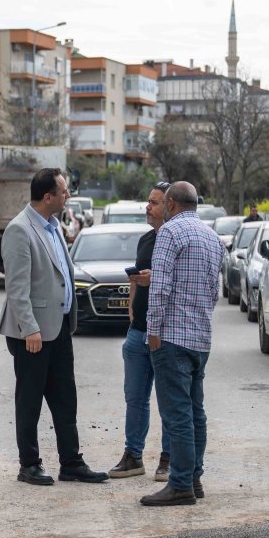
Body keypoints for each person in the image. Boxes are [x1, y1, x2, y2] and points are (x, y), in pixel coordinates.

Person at [0, 168, 108, 486]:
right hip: (31, 333)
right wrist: (29, 328)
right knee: (29, 400)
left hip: (58, 327)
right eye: (63, 191)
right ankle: (29, 464)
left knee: (65, 397)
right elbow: (17, 289)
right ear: (48, 197)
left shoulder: (54, 226)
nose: (68, 195)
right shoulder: (20, 230)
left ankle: (71, 462)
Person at [139, 182, 222, 506]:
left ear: (171, 204)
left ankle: (181, 484)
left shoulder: (170, 234)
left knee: (177, 415)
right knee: (195, 412)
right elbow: (215, 292)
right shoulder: (212, 237)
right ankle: (194, 478)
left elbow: (159, 288)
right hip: (200, 338)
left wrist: (153, 331)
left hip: (171, 337)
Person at [108, 181, 171, 481]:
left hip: (168, 332)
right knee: (135, 398)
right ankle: (133, 456)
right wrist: (132, 308)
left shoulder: (176, 241)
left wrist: (154, 278)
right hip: (137, 332)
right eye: (148, 201)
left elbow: (182, 281)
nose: (148, 207)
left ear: (170, 206)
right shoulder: (146, 240)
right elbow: (136, 280)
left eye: (155, 202)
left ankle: (168, 459)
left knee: (171, 400)